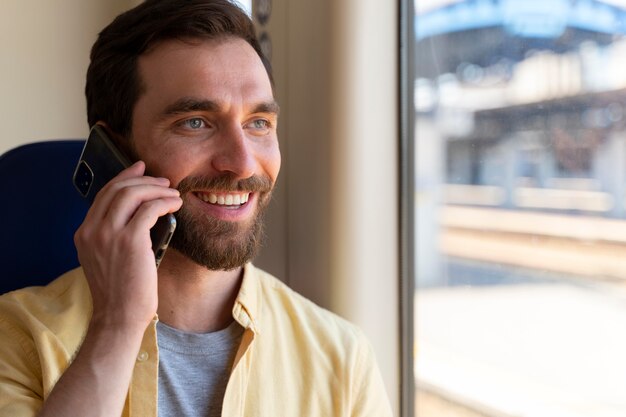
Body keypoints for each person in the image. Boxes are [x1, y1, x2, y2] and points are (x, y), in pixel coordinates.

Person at [0, 1, 392, 416]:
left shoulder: (342, 360)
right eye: (195, 122)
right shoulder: (17, 338)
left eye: (258, 122)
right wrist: (116, 326)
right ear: (111, 151)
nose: (242, 163)